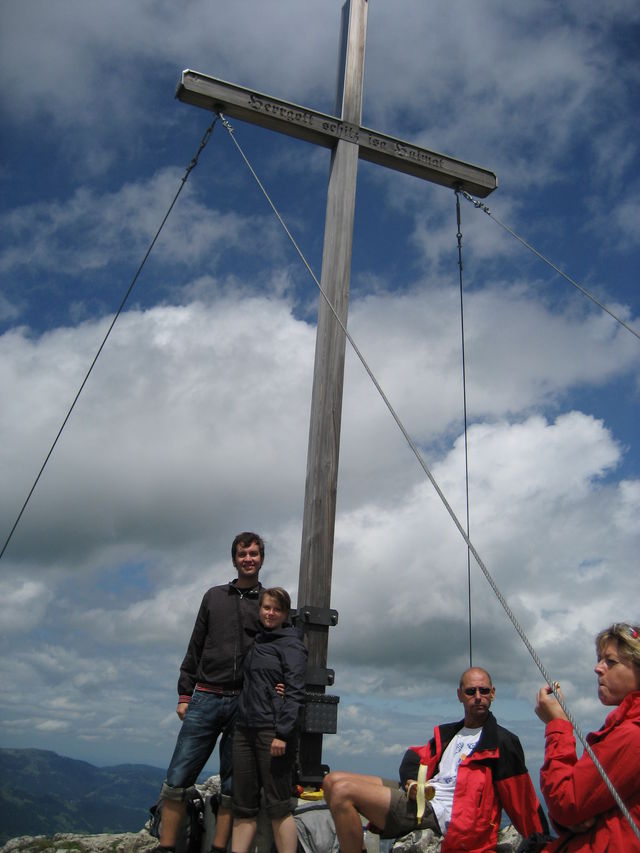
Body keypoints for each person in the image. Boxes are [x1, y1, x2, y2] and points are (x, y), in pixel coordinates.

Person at [323, 667, 548, 853]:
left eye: (484, 690)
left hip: (442, 815)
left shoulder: (500, 742)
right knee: (332, 781)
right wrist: (411, 781)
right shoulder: (450, 734)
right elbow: (414, 756)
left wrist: (546, 844)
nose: (478, 696)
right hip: (422, 795)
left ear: (493, 693)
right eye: (471, 691)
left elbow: (523, 800)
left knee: (343, 791)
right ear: (460, 695)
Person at [154, 532, 266, 853]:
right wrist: (184, 694)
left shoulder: (268, 603)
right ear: (234, 559)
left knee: (232, 784)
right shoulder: (214, 596)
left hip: (244, 702)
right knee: (177, 778)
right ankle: (166, 848)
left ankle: (218, 849)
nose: (248, 558)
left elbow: (278, 651)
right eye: (243, 553)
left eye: (254, 553)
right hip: (204, 695)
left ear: (261, 559)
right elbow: (196, 645)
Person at [535, 622, 640, 851]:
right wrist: (570, 819)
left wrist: (558, 725)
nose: (598, 668)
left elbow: (565, 802)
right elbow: (573, 809)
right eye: (600, 659)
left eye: (610, 662)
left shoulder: (632, 736)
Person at [231, 586, 308, 853]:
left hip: (272, 732)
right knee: (243, 806)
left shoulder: (292, 644)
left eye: (277, 609)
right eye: (266, 607)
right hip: (244, 729)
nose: (270, 613)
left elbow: (297, 691)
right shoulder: (259, 642)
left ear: (286, 614)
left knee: (277, 805)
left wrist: (283, 733)